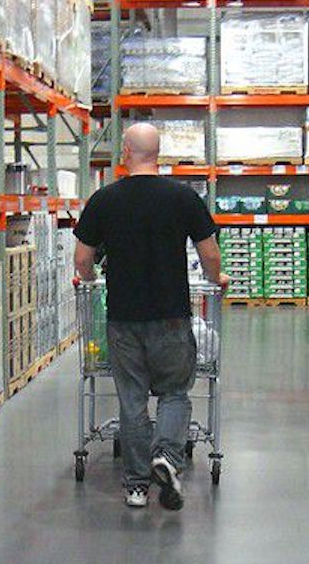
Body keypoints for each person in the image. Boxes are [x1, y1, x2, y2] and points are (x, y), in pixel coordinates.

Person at [73, 123, 229, 510]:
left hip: (123, 319)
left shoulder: (104, 199)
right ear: (158, 153)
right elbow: (210, 254)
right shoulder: (182, 198)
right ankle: (167, 457)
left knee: (132, 400)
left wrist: (91, 280)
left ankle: (137, 485)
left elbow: (82, 259)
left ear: (125, 151)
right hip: (172, 317)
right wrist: (216, 277)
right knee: (175, 393)